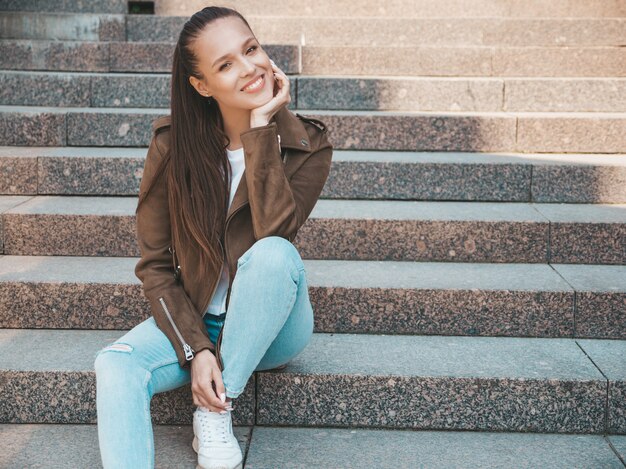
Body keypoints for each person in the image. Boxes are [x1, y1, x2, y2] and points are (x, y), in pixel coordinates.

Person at [93, 6, 333, 469]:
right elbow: (156, 266)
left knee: (275, 254)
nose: (249, 69)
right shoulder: (172, 146)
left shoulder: (307, 144)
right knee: (116, 365)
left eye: (251, 49)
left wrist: (262, 129)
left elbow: (275, 234)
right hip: (201, 316)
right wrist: (196, 347)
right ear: (202, 85)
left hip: (273, 325)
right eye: (225, 65)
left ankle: (215, 410)